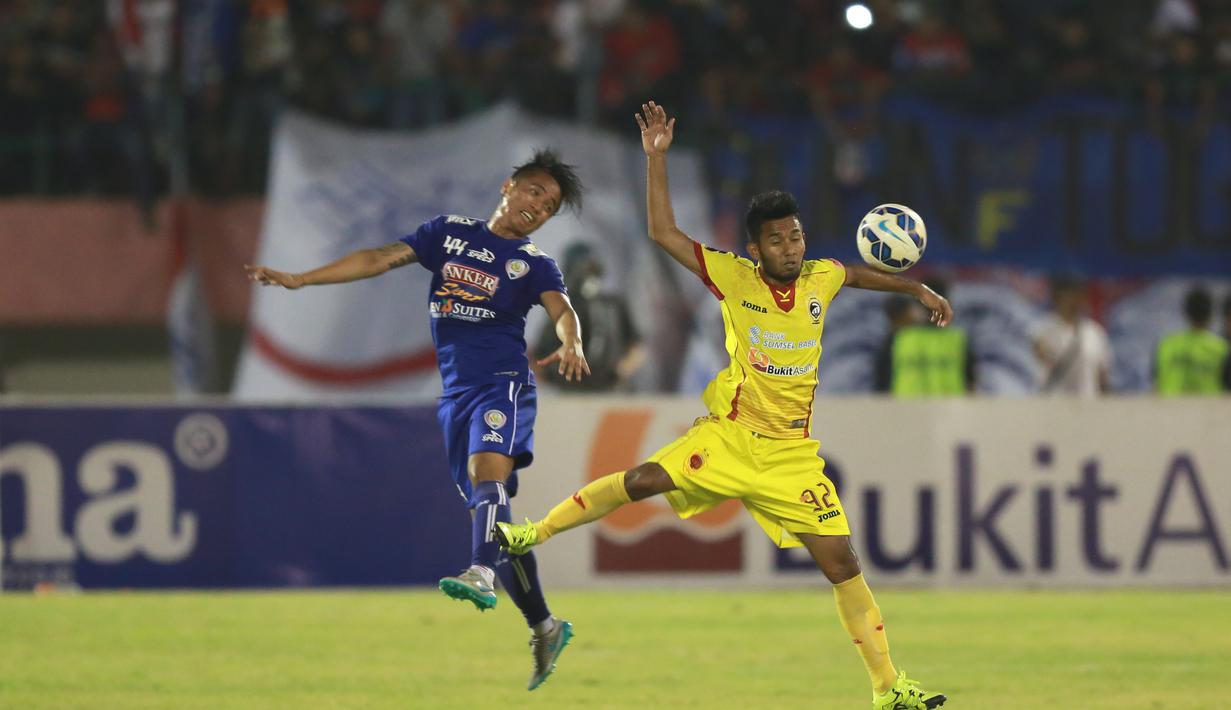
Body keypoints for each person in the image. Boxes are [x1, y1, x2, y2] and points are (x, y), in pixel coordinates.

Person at [497, 102, 949, 710]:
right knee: (642, 479)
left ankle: (889, 688)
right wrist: (656, 159)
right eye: (777, 240)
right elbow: (663, 234)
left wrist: (915, 286)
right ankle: (533, 531)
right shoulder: (735, 278)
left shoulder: (821, 277)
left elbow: (859, 276)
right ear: (755, 248)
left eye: (796, 236)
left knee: (843, 563)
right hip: (732, 437)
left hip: (791, 456)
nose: (790, 248)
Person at [244, 150, 590, 690]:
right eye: (534, 192)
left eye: (548, 207)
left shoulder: (536, 264)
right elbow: (380, 257)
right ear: (508, 186)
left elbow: (562, 310)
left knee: (486, 476)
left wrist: (573, 341)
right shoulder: (449, 233)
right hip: (455, 396)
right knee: (493, 513)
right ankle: (544, 624)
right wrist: (302, 280)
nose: (538, 207)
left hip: (504, 384)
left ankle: (480, 573)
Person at [533, 242, 644, 391]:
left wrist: (621, 370)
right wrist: (550, 375)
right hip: (571, 391)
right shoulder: (563, 308)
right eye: (579, 271)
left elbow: (637, 346)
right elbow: (538, 354)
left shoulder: (613, 305)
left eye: (590, 271)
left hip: (610, 389)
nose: (586, 278)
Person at [874, 278, 974, 395]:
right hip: (947, 407)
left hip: (907, 408)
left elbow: (881, 384)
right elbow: (971, 383)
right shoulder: (957, 339)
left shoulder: (898, 338)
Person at [1032, 274, 1110, 396]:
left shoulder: (1094, 332)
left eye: (1077, 293)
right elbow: (1038, 360)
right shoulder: (1043, 330)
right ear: (1056, 296)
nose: (1073, 299)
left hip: (1089, 404)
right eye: (1068, 293)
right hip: (1055, 405)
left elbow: (1102, 376)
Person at [1153, 286, 1229, 395]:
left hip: (1169, 409)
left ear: (1186, 313)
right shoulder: (1222, 348)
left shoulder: (1166, 345)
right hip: (1210, 409)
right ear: (1210, 315)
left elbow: (1156, 385)